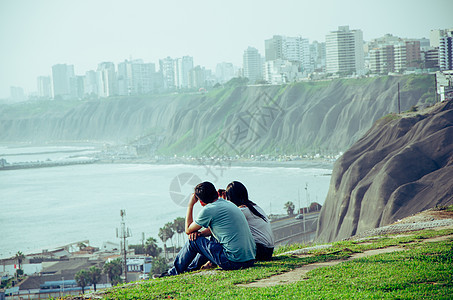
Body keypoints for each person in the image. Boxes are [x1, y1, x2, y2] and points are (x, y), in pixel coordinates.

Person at [159, 181, 256, 277]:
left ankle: (173, 273)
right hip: (249, 259)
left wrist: (190, 205)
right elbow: (217, 231)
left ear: (201, 202)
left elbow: (188, 230)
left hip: (233, 262)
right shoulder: (228, 204)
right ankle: (191, 268)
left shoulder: (208, 209)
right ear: (216, 193)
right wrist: (200, 234)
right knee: (210, 239)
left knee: (194, 241)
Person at [225, 181, 275, 261]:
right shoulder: (254, 207)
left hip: (260, 251)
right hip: (268, 251)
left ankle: (205, 263)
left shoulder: (243, 210)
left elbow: (222, 220)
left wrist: (220, 200)